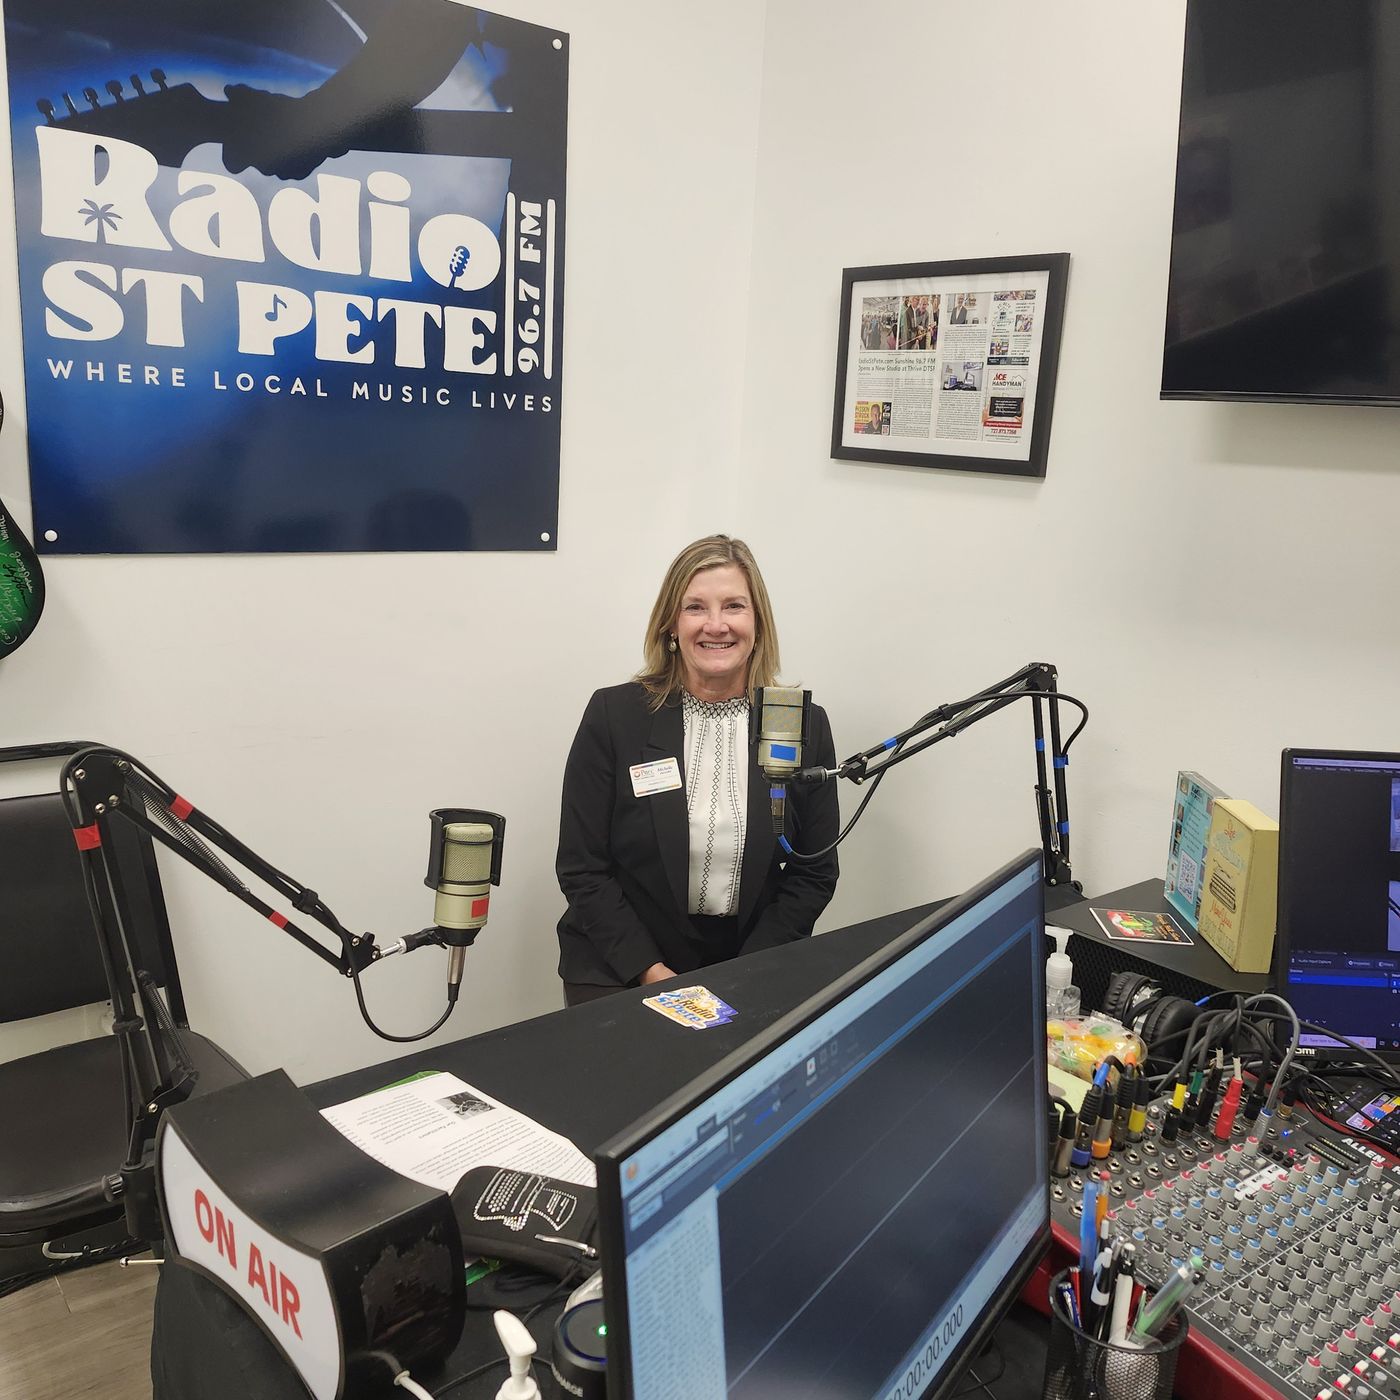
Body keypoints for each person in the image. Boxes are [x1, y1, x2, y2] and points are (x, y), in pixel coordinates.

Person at [555, 535, 840, 1005]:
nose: (716, 625)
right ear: (671, 624)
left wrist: (747, 972)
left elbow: (814, 873)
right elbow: (582, 866)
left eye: (734, 606)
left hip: (751, 958)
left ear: (758, 622)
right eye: (695, 608)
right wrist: (652, 973)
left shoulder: (802, 723)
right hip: (621, 959)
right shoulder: (615, 716)